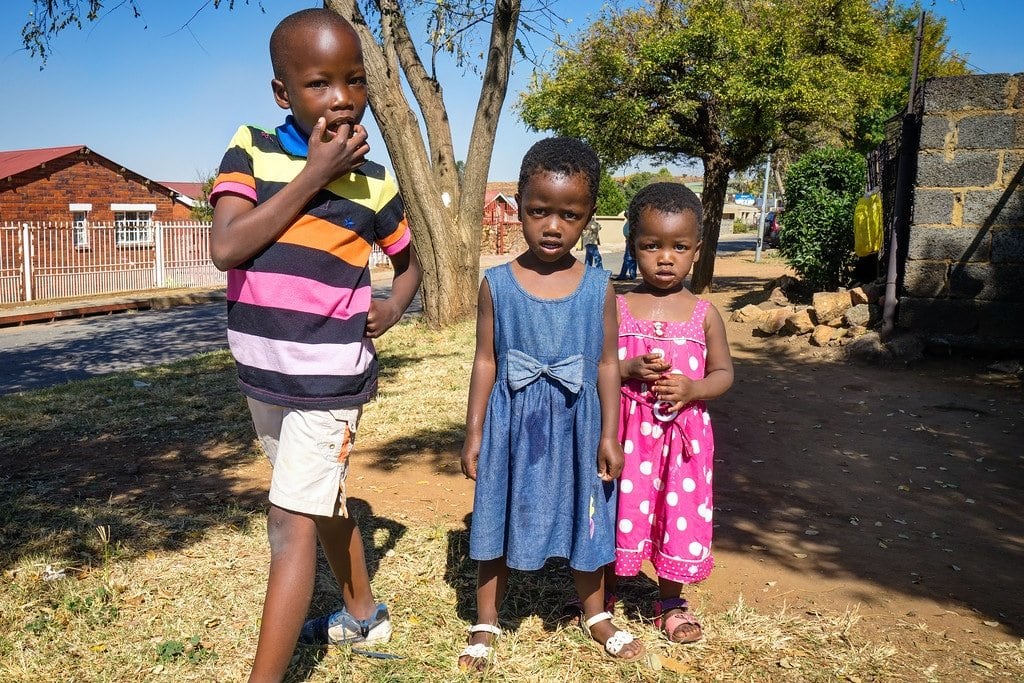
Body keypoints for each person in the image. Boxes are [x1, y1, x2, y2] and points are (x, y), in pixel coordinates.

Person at [208, 9, 421, 682]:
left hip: (332, 381)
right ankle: (362, 610)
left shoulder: (376, 180)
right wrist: (314, 174)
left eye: (354, 81)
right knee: (320, 497)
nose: (341, 97)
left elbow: (410, 261)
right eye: (319, 83)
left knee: (288, 520)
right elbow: (228, 246)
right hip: (264, 375)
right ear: (283, 94)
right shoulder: (250, 149)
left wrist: (393, 304)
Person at [458, 137, 645, 671]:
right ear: (519, 207)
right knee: (496, 509)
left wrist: (610, 433)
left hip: (578, 422)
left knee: (588, 512)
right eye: (539, 211)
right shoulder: (496, 285)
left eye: (570, 214)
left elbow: (608, 363)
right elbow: (486, 361)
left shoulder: (598, 287)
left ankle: (595, 613)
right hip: (512, 420)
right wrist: (473, 432)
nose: (553, 226)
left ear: (589, 217)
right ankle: (486, 618)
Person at [608, 182, 734, 644]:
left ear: (696, 251)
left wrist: (694, 387)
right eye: (651, 245)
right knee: (619, 505)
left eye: (679, 247)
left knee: (676, 512)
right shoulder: (616, 306)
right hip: (627, 432)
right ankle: (604, 591)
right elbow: (600, 364)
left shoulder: (704, 314)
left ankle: (670, 600)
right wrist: (627, 367)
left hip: (683, 439)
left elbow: (724, 373)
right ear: (632, 245)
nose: (665, 258)